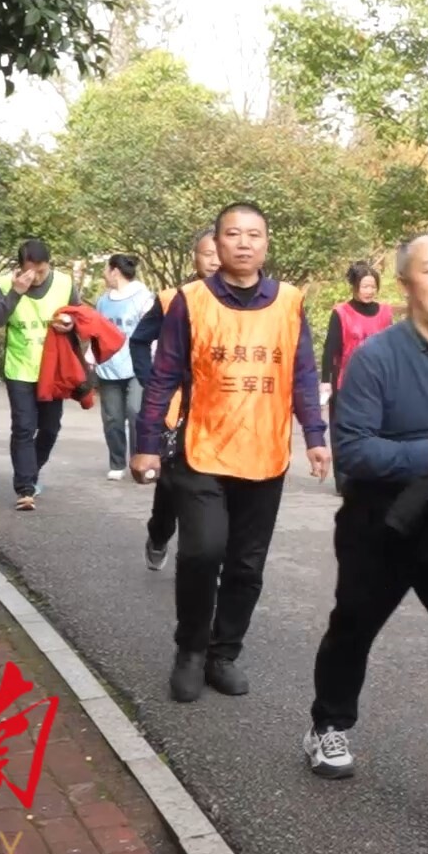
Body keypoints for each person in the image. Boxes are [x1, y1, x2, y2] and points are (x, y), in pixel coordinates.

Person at [304, 234, 428, 830]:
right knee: (353, 627)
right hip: (378, 526)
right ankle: (329, 724)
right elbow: (354, 451)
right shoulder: (375, 358)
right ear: (406, 284)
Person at [133, 203, 330, 702]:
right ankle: (190, 650)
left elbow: (302, 372)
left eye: (254, 235)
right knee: (202, 552)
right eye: (233, 234)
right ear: (216, 244)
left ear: (266, 243)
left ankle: (223, 653)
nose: (244, 243)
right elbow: (164, 375)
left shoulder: (290, 302)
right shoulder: (190, 301)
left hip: (265, 454)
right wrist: (147, 444)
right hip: (202, 450)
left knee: (246, 564)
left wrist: (315, 435)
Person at [137, 231, 219, 571]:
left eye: (219, 252)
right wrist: (154, 382)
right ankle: (159, 533)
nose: (215, 260)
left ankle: (203, 556)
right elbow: (139, 341)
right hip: (178, 409)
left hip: (222, 409)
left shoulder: (247, 305)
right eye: (207, 253)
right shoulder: (173, 298)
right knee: (171, 483)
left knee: (215, 484)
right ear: (194, 258)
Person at [0, 240, 80, 511]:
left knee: (50, 428)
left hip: (53, 370)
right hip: (20, 368)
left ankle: (30, 470)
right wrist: (16, 292)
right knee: (24, 427)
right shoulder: (5, 284)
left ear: (49, 265)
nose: (36, 277)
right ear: (20, 266)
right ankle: (25, 488)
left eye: (41, 271)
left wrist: (71, 325)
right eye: (30, 271)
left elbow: (80, 317)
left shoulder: (64, 283)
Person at [95, 255, 156, 480]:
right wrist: (91, 359)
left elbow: (153, 333)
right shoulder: (103, 301)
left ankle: (139, 461)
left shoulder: (144, 298)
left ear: (115, 271)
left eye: (106, 270)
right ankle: (117, 463)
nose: (104, 274)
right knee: (112, 418)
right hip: (108, 366)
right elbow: (97, 332)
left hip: (136, 366)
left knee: (136, 411)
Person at [321, 260, 393, 395]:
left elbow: (391, 349)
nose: (369, 291)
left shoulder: (385, 312)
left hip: (378, 381)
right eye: (365, 287)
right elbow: (330, 350)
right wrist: (325, 381)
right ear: (355, 286)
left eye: (373, 287)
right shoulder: (341, 313)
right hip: (347, 381)